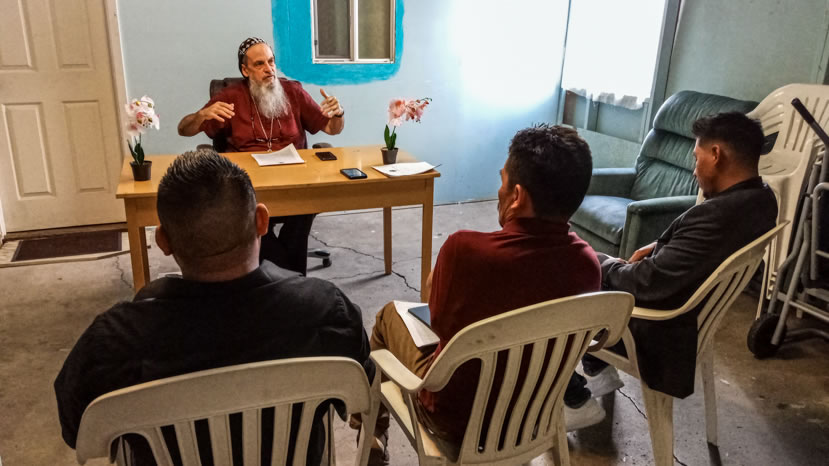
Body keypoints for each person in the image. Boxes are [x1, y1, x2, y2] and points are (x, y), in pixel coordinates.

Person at [54, 149, 372, 466]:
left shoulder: (113, 343)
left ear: (163, 242)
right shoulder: (325, 311)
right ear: (262, 221)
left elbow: (76, 430)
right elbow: (363, 386)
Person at [354, 124, 604, 465]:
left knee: (388, 316)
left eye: (502, 181)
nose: (498, 190)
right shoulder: (587, 265)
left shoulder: (465, 250)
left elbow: (437, 322)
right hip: (533, 418)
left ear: (517, 196)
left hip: (453, 421)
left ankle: (372, 433)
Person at [581, 112, 778, 400]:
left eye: (697, 159)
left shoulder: (716, 216)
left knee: (569, 271)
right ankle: (597, 369)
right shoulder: (762, 199)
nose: (694, 171)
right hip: (686, 313)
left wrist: (605, 265)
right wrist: (660, 245)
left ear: (716, 154)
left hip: (657, 329)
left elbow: (650, 281)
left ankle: (574, 398)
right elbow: (696, 252)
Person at [178, 37, 345, 276]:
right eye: (259, 64)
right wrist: (201, 115)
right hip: (247, 183)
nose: (269, 69)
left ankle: (283, 280)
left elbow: (332, 128)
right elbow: (184, 129)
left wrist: (338, 113)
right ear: (245, 70)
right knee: (249, 211)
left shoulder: (292, 92)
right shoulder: (230, 97)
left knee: (305, 205)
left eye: (271, 61)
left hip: (294, 178)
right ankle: (294, 280)